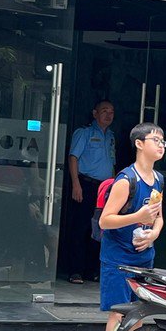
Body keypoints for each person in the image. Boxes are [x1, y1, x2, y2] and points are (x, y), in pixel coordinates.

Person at [93, 123, 166, 331]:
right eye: (155, 140)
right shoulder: (126, 180)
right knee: (118, 314)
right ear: (139, 143)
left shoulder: (158, 178)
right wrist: (138, 217)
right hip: (117, 259)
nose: (161, 145)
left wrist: (154, 234)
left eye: (163, 141)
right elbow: (105, 221)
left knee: (137, 314)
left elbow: (158, 217)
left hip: (143, 257)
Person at [67, 100, 116, 284]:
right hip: (86, 184)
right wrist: (76, 184)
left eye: (111, 112)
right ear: (95, 113)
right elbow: (73, 158)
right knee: (80, 227)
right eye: (104, 111)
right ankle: (75, 271)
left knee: (99, 230)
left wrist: (113, 187)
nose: (108, 115)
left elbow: (111, 163)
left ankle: (91, 270)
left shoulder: (111, 136)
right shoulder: (84, 133)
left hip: (104, 188)